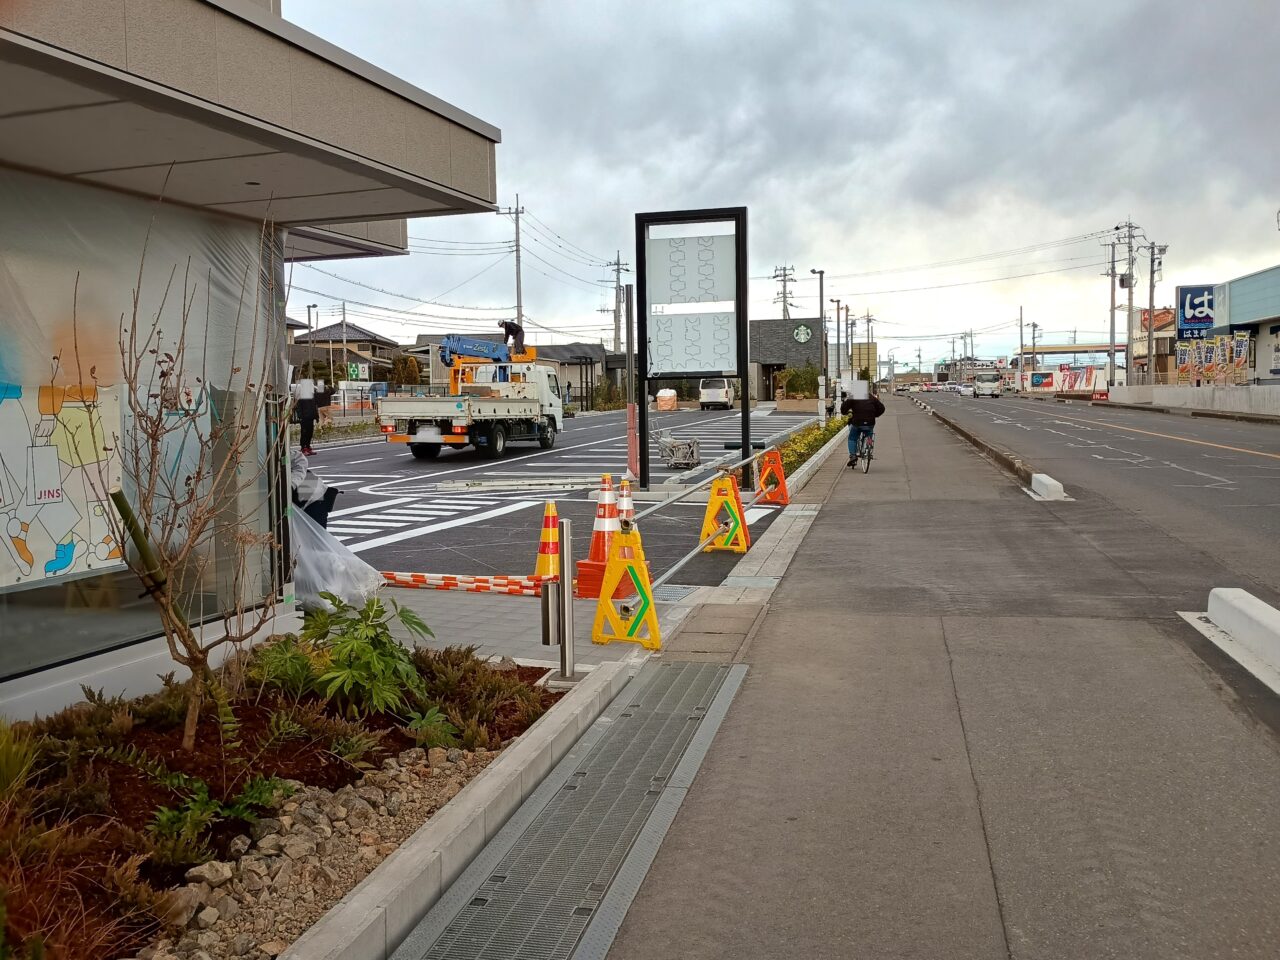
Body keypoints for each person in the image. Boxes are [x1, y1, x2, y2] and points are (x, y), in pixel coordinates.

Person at [840, 385, 885, 467]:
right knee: (869, 433)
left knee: (852, 438)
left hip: (857, 422)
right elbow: (882, 408)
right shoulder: (872, 397)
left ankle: (853, 456)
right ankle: (869, 446)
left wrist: (844, 412)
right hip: (870, 422)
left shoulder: (853, 397)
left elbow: (844, 408)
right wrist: (875, 415)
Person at [294, 376, 318, 456]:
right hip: (304, 418)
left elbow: (314, 407)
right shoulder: (301, 396)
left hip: (311, 417)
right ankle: (303, 447)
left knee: (310, 433)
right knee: (304, 433)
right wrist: (300, 416)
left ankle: (308, 446)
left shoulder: (312, 395)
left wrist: (316, 416)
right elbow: (298, 407)